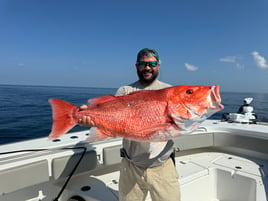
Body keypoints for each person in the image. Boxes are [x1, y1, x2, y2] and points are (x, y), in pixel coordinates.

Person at [78, 48, 180, 201]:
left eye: (152, 63)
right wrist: (89, 118)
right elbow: (113, 125)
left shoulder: (170, 91)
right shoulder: (125, 90)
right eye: (142, 64)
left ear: (158, 66)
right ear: (136, 66)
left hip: (163, 167)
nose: (147, 68)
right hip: (131, 168)